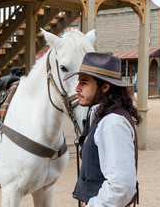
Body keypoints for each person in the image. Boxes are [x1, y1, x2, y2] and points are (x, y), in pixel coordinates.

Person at [64, 52, 142, 207]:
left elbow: (121, 186)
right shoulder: (101, 114)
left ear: (105, 86)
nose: (77, 88)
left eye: (84, 83)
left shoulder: (113, 123)